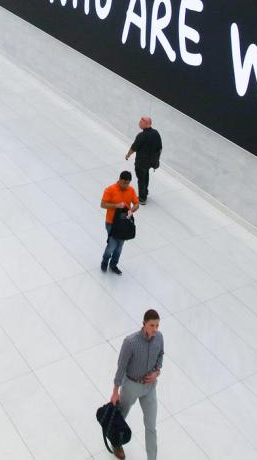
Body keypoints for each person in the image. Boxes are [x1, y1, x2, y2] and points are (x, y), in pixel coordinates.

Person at [109, 309, 164, 460]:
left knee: (151, 427)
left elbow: (161, 355)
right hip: (131, 386)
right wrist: (115, 391)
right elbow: (121, 367)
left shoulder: (159, 338)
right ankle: (116, 443)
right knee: (119, 419)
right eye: (152, 325)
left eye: (157, 325)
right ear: (144, 324)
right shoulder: (130, 342)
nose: (155, 329)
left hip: (150, 388)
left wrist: (157, 372)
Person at [100, 171, 139, 275]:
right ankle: (105, 261)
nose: (125, 185)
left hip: (124, 223)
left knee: (120, 245)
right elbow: (103, 204)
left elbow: (136, 203)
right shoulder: (110, 190)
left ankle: (113, 264)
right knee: (112, 245)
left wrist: (131, 211)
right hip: (111, 222)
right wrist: (116, 205)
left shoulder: (131, 190)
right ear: (119, 180)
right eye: (123, 183)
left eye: (127, 183)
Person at [126, 117, 162, 205]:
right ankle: (145, 192)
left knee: (141, 179)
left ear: (146, 124)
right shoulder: (156, 133)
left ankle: (142, 198)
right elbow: (159, 148)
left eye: (141, 122)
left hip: (141, 162)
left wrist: (128, 155)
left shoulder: (141, 136)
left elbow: (134, 147)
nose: (139, 123)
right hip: (150, 162)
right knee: (145, 176)